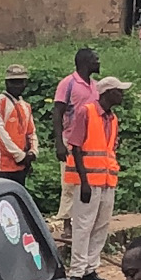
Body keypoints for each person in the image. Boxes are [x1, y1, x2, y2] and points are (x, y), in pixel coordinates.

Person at [64, 77, 131, 280]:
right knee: (83, 226)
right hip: (89, 180)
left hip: (107, 179)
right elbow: (75, 146)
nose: (121, 94)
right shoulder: (87, 111)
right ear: (108, 93)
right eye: (118, 91)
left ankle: (90, 268)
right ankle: (77, 270)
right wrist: (84, 182)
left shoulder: (112, 118)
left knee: (101, 225)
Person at [53, 47, 100, 242]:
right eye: (95, 59)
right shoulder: (68, 83)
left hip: (90, 143)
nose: (98, 62)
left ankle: (82, 222)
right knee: (70, 183)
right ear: (85, 62)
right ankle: (67, 224)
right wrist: (59, 143)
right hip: (70, 140)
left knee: (87, 182)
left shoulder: (95, 85)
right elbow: (57, 113)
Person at [0, 65, 38, 184]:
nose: (17, 85)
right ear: (7, 83)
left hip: (20, 167)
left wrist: (33, 152)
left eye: (20, 82)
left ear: (25, 83)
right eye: (13, 82)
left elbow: (31, 133)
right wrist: (20, 156)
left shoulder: (25, 105)